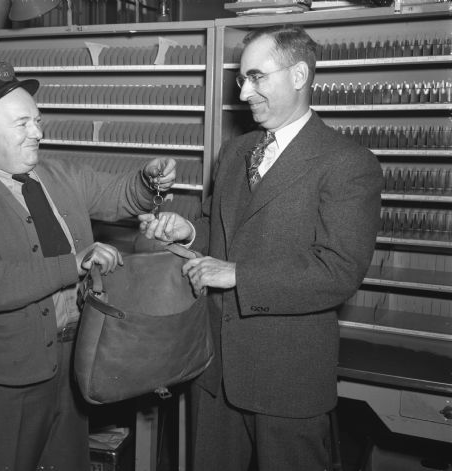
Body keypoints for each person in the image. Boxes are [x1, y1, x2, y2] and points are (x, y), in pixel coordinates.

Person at [138, 25, 382, 471]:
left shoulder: (347, 163)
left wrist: (237, 275)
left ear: (299, 75)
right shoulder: (235, 152)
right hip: (215, 371)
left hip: (286, 379)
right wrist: (186, 234)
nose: (245, 91)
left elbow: (339, 272)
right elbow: (218, 228)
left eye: (256, 77)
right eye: (241, 79)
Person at [0, 62, 175, 471]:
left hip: (73, 358)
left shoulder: (59, 174)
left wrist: (148, 181)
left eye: (38, 121)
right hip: (6, 377)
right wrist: (74, 263)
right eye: (23, 123)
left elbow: (120, 195)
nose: (38, 133)